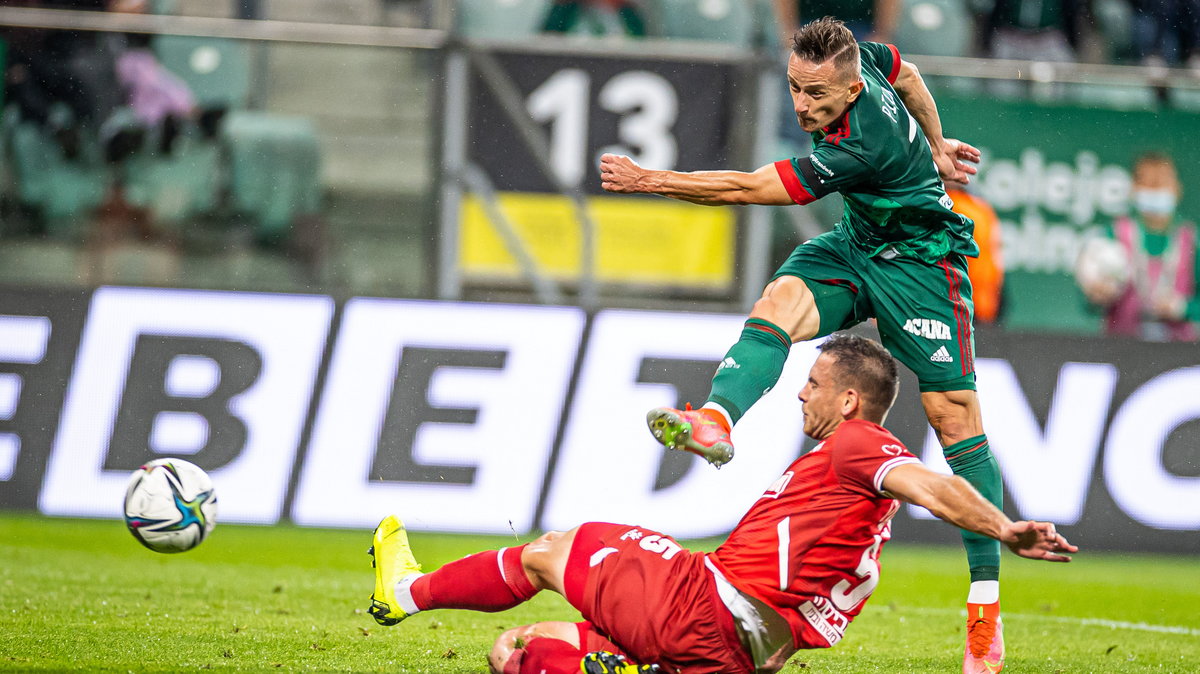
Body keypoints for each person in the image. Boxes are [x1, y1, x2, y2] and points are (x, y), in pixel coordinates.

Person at [598, 17, 1008, 673]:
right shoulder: (863, 58)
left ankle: (984, 609)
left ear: (848, 93)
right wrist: (935, 142)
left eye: (817, 96)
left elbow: (748, 188)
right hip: (858, 245)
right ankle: (715, 421)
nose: (801, 105)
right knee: (777, 304)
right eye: (795, 86)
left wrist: (651, 181)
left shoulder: (858, 148)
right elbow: (908, 72)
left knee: (953, 415)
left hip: (923, 266)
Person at [365, 333, 1077, 674]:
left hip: (702, 605)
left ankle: (403, 592)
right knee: (514, 652)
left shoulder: (860, 446)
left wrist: (1004, 527)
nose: (802, 392)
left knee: (556, 548)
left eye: (814, 382)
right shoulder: (854, 494)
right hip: (738, 656)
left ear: (850, 400)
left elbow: (934, 485)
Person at [1078, 152, 1199, 341]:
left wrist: (1183, 308)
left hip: (1178, 354)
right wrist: (1097, 293)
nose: (1156, 189)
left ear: (1177, 189)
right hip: (1124, 349)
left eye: (1162, 183)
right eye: (1148, 184)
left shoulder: (1191, 240)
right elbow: (1088, 302)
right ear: (1134, 189)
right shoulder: (1114, 235)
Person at [947, 188, 1005, 325]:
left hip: (984, 300)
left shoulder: (979, 205)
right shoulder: (946, 202)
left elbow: (992, 253)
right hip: (959, 299)